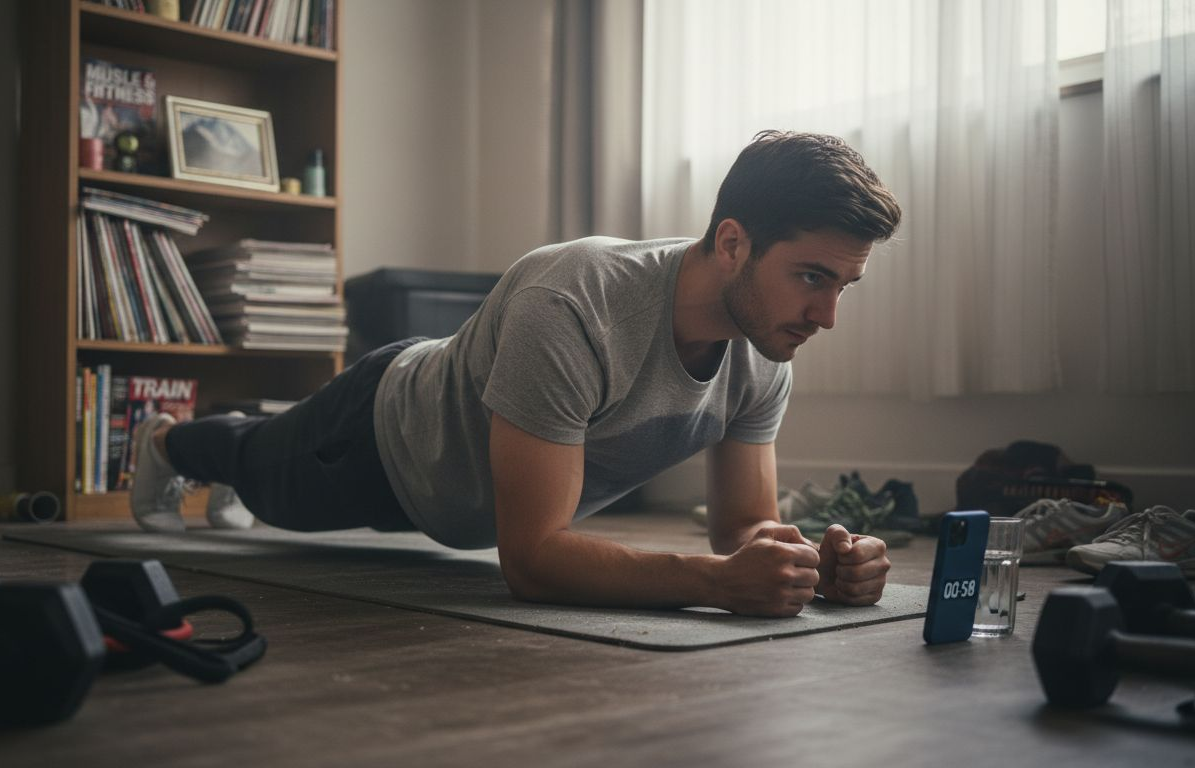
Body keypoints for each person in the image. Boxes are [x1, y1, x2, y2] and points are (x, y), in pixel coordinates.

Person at [130, 130, 903, 618]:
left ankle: (226, 455)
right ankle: (167, 442)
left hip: (458, 491)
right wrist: (714, 582)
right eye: (811, 277)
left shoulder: (765, 347)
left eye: (844, 285)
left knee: (258, 460)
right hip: (381, 437)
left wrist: (809, 564)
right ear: (732, 243)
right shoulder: (574, 299)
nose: (827, 315)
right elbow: (532, 560)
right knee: (259, 471)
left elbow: (743, 529)